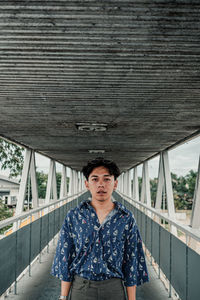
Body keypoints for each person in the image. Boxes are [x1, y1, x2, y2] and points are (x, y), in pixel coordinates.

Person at [51, 157, 149, 300]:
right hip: (81, 288)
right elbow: (65, 256)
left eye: (107, 179)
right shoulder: (74, 216)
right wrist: (63, 297)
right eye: (95, 179)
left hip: (114, 289)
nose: (101, 185)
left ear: (115, 184)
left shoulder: (126, 218)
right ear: (87, 184)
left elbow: (132, 260)